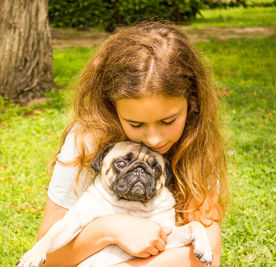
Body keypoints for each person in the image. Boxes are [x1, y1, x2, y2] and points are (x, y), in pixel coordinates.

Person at [36, 21, 228, 266]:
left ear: (192, 104)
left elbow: (208, 258)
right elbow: (47, 260)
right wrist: (109, 228)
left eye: (168, 120)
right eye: (135, 124)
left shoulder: (196, 144)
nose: (154, 138)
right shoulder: (86, 140)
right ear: (112, 107)